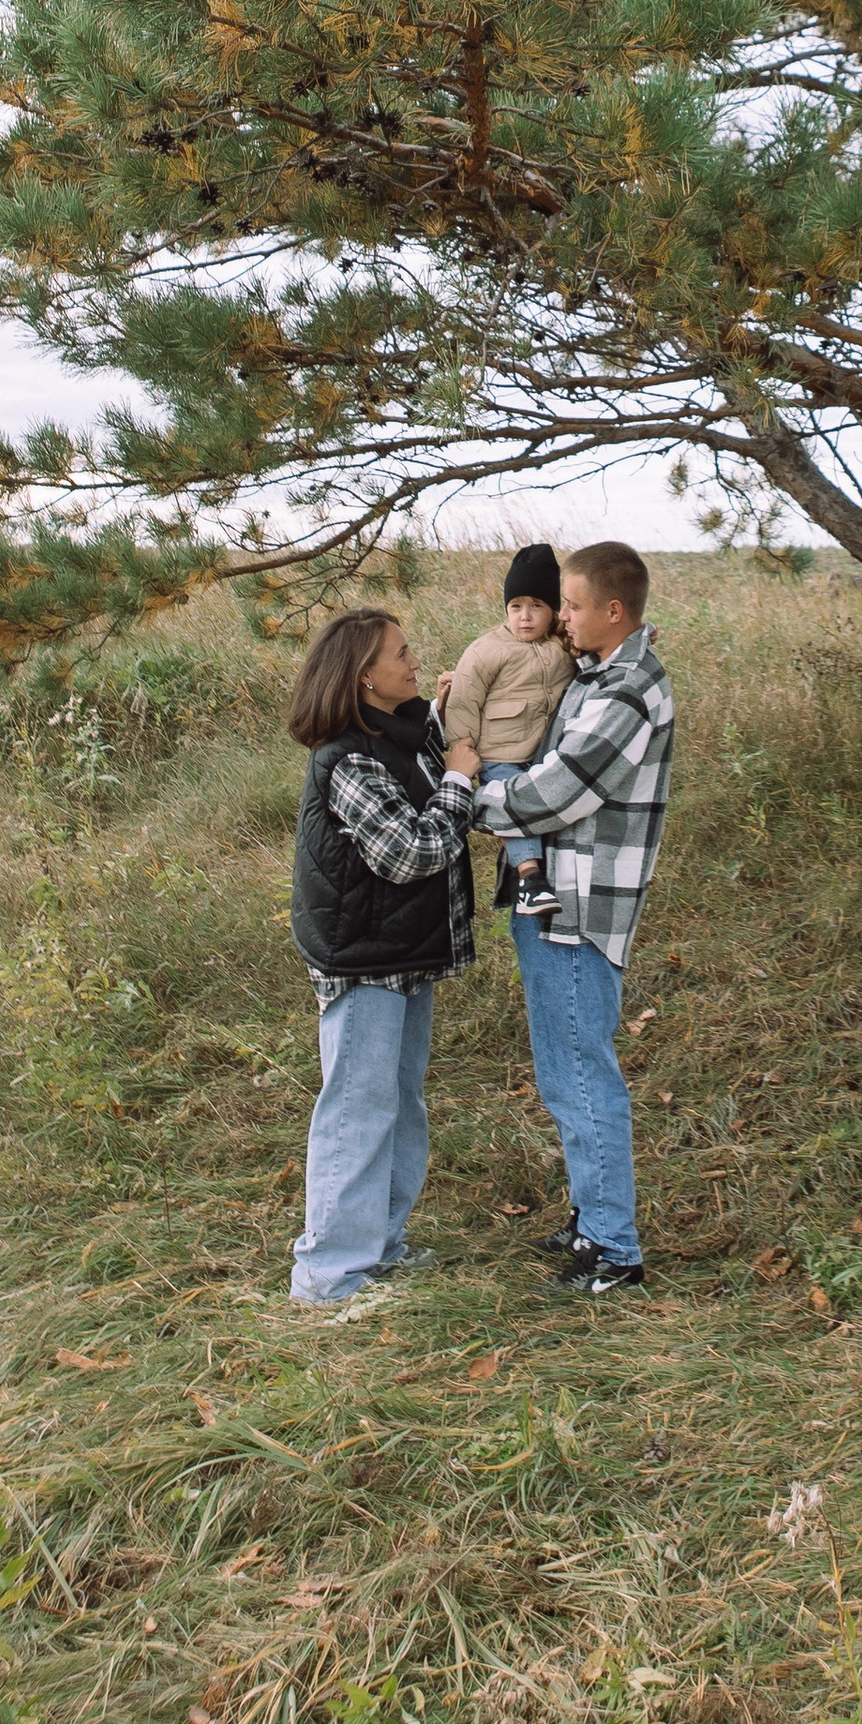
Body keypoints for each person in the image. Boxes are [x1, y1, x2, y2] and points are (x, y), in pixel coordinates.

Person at [471, 542, 674, 1297]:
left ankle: (616, 1252)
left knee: (583, 1074)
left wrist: (471, 800)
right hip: (552, 897)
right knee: (563, 1072)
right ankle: (592, 1220)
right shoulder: (596, 674)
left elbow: (559, 792)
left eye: (576, 605)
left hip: (581, 909)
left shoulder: (627, 690)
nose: (562, 617)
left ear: (613, 611)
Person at [283, 605, 480, 1314]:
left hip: (400, 955)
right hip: (365, 961)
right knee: (358, 1110)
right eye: (402, 655)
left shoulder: (392, 734)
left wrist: (446, 711)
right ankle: (329, 1278)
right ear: (365, 677)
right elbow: (410, 852)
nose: (414, 662)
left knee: (397, 1104)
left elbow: (419, 751)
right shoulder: (347, 759)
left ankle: (380, 1249)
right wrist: (459, 779)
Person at [441, 543, 573, 922]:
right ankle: (530, 879)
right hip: (500, 755)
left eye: (536, 606)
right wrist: (463, 754)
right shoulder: (486, 651)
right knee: (513, 802)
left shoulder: (563, 644)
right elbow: (463, 702)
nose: (525, 617)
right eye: (516, 606)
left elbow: (600, 649)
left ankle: (531, 878)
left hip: (543, 754)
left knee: (541, 804)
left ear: (553, 610)